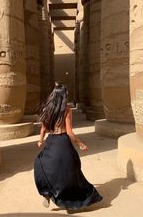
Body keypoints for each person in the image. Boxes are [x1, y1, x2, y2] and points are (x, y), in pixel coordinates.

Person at [34, 82, 103, 210]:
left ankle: (47, 191)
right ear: (63, 96)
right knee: (72, 170)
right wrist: (80, 144)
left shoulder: (46, 109)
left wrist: (40, 140)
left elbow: (43, 128)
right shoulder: (66, 110)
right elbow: (70, 132)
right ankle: (72, 200)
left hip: (51, 141)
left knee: (42, 164)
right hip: (63, 142)